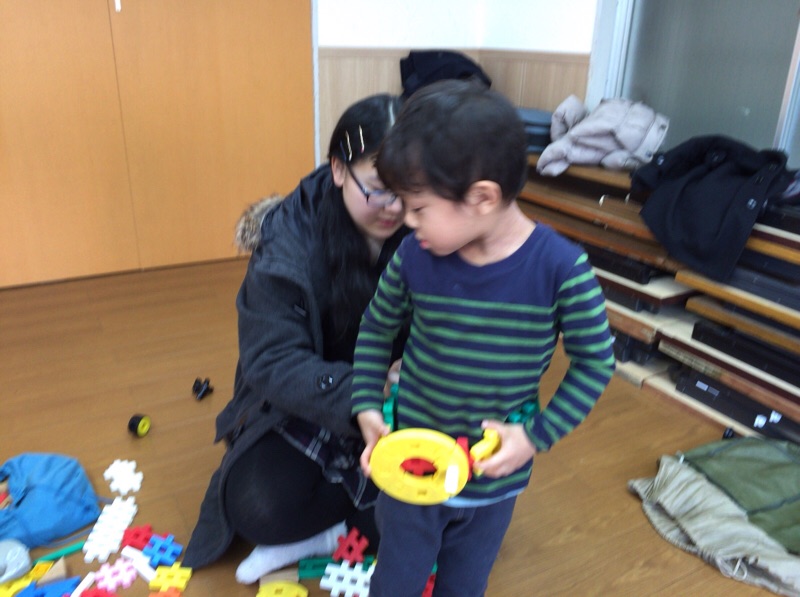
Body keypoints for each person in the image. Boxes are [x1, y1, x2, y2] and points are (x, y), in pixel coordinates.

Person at [351, 80, 617, 596]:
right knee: (395, 582)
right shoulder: (414, 256)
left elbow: (594, 363)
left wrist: (535, 436)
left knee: (464, 584)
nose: (405, 220)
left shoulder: (563, 269)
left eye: (418, 208)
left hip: (493, 479)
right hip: (411, 464)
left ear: (482, 198)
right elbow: (377, 328)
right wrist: (365, 404)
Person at [182, 93, 407, 584]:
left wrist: (416, 367)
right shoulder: (288, 242)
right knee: (257, 504)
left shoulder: (432, 224)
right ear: (339, 170)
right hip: (311, 399)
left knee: (464, 504)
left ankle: (341, 527)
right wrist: (363, 394)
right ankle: (356, 524)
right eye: (379, 190)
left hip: (399, 401)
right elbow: (272, 361)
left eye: (410, 190)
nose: (397, 207)